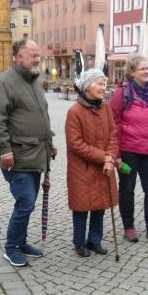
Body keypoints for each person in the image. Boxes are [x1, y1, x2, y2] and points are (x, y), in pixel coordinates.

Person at [0, 38, 57, 267]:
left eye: (38, 55)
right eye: (33, 55)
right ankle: (11, 247)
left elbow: (39, 117)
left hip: (36, 154)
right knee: (25, 202)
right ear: (19, 57)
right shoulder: (4, 83)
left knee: (29, 201)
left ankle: (22, 241)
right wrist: (4, 151)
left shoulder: (34, 81)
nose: (38, 59)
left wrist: (49, 142)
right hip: (17, 157)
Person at [109, 53, 148, 243]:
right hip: (129, 149)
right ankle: (129, 227)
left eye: (147, 68)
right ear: (132, 72)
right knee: (127, 189)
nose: (146, 71)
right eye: (142, 68)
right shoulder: (123, 93)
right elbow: (113, 122)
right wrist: (117, 153)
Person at [65, 69, 119, 257]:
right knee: (82, 207)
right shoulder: (75, 112)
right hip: (82, 169)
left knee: (100, 206)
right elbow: (75, 144)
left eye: (104, 84)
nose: (103, 88)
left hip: (104, 167)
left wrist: (110, 158)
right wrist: (103, 157)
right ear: (88, 86)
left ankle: (94, 240)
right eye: (99, 84)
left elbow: (113, 135)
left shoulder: (106, 108)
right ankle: (79, 243)